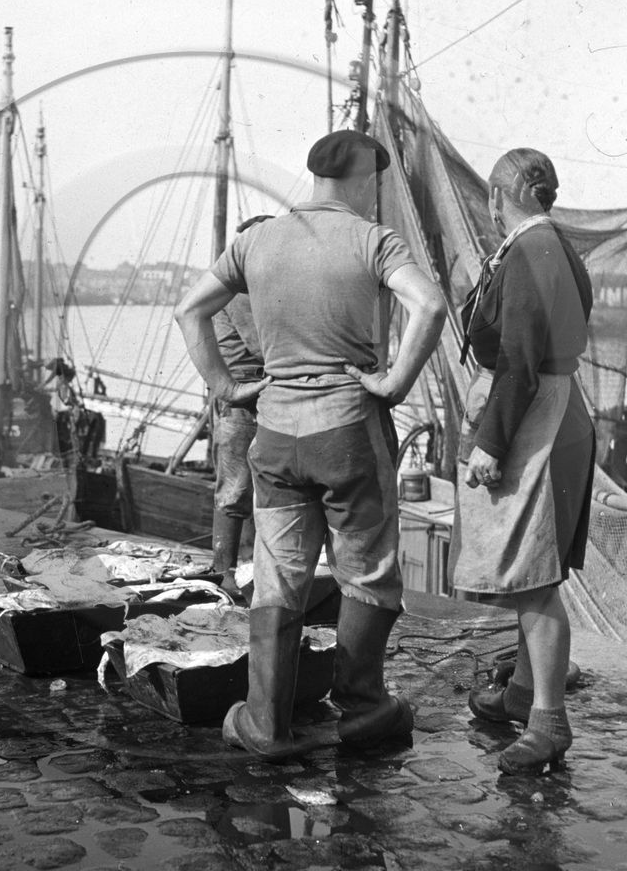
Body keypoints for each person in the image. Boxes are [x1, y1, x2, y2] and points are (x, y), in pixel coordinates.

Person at [175, 129, 446, 759]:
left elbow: (190, 310)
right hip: (348, 430)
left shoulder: (257, 240)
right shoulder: (372, 239)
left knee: (277, 576)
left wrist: (227, 388)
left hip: (273, 434)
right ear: (362, 177)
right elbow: (428, 306)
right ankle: (362, 709)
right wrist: (394, 382)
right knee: (368, 572)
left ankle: (264, 723)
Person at [450, 148, 596, 776]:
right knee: (529, 569)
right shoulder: (548, 245)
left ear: (494, 196)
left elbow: (518, 360)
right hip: (557, 410)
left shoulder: (532, 250)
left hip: (539, 415)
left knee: (536, 579)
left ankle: (549, 723)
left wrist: (491, 441)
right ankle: (518, 695)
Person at [209, 214, 272, 586]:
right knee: (236, 490)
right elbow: (266, 346)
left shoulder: (240, 288)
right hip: (247, 401)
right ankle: (226, 576)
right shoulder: (243, 294)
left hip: (247, 400)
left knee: (241, 489)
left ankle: (231, 572)